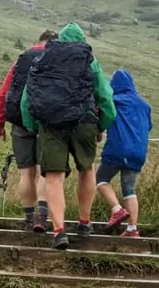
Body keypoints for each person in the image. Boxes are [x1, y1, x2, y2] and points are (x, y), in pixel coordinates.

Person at [20, 23, 117, 250]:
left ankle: (59, 230)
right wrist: (99, 126)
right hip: (84, 122)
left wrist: (34, 126)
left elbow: (28, 98)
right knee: (87, 169)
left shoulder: (43, 60)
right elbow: (105, 98)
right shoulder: (89, 61)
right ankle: (84, 222)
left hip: (51, 125)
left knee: (54, 177)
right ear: (82, 40)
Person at [0, 30, 56, 231]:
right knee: (43, 172)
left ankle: (28, 218)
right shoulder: (57, 58)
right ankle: (41, 216)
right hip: (47, 122)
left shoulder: (22, 60)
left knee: (25, 173)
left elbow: (4, 93)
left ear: (39, 41)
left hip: (20, 121)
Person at [97, 69, 152, 237]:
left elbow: (104, 119)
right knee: (129, 189)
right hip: (138, 153)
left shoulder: (114, 101)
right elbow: (148, 127)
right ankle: (132, 229)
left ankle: (117, 209)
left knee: (100, 180)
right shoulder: (145, 105)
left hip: (117, 149)